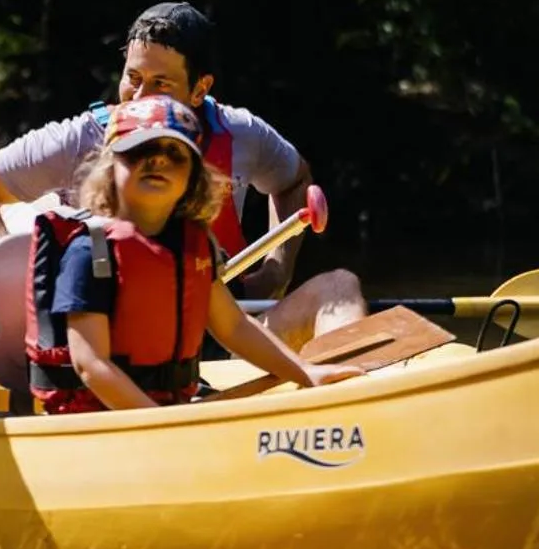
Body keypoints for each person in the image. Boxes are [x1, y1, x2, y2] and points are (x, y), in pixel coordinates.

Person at [0, 1, 363, 347]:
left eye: (160, 84)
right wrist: (13, 286)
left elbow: (294, 179)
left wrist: (275, 274)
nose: (138, 97)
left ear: (200, 89)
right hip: (117, 346)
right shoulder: (78, 138)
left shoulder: (242, 133)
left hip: (228, 335)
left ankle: (354, 403)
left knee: (340, 286)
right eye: (133, 77)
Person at [27, 95, 362, 414]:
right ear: (111, 166)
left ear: (192, 177)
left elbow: (233, 327)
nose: (157, 160)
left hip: (170, 410)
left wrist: (304, 373)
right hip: (104, 421)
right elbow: (90, 365)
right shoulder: (89, 251)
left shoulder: (194, 246)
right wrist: (162, 422)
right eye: (140, 150)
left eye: (175, 154)